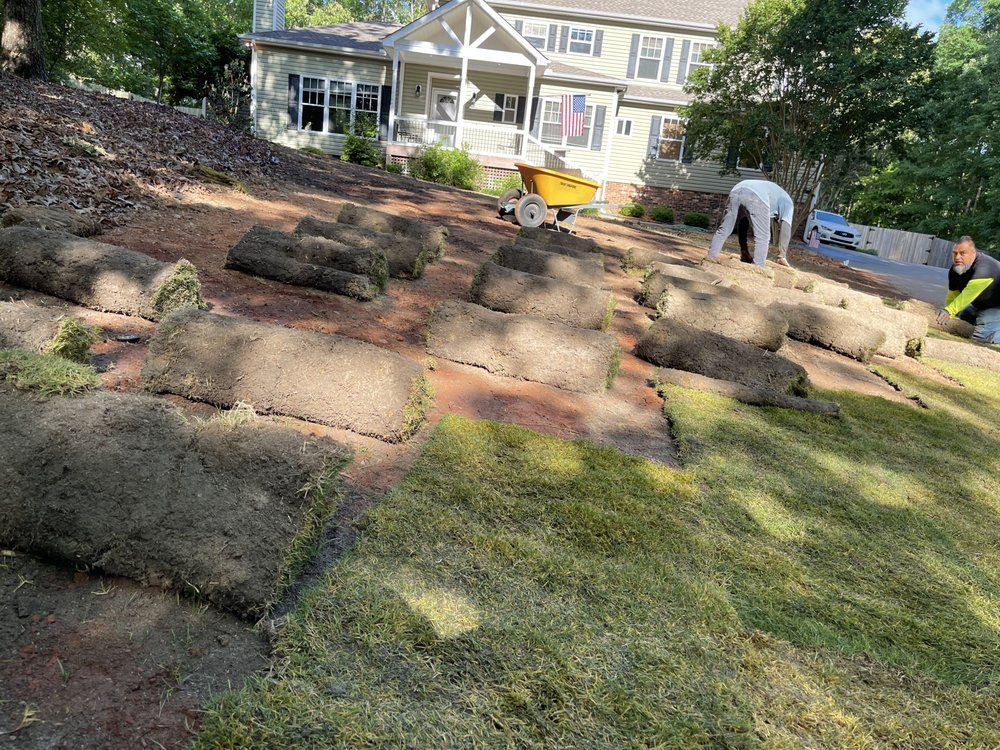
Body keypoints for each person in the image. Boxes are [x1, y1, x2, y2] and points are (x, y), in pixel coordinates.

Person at [708, 179, 794, 268]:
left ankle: (710, 258)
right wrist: (782, 256)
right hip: (756, 196)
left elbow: (742, 223)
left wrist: (744, 250)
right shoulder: (788, 203)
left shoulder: (774, 195)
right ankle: (758, 268)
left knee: (724, 229)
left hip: (737, 189)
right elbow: (786, 229)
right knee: (763, 236)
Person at [937, 236, 1000, 344]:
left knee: (981, 338)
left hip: (997, 307)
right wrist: (947, 313)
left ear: (973, 252)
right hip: (981, 305)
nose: (957, 257)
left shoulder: (985, 269)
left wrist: (949, 311)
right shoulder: (955, 270)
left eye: (962, 253)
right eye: (955, 253)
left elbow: (967, 295)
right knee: (963, 317)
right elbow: (953, 295)